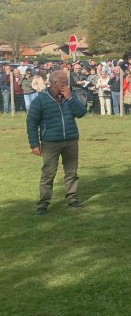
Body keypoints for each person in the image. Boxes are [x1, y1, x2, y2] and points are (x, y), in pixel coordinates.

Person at [26, 70, 87, 215]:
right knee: (48, 173)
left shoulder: (69, 97)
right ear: (54, 83)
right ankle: (43, 204)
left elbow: (81, 113)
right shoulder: (41, 100)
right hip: (50, 142)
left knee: (71, 172)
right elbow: (31, 123)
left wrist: (70, 98)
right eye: (63, 82)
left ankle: (72, 198)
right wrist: (34, 144)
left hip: (70, 140)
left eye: (67, 82)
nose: (66, 84)